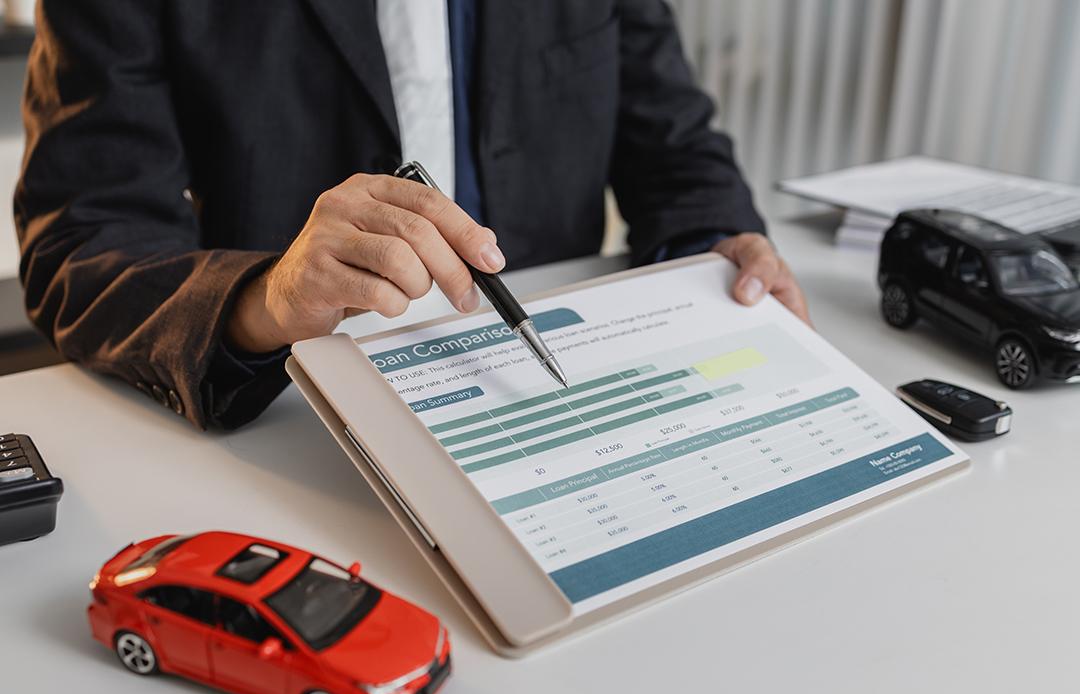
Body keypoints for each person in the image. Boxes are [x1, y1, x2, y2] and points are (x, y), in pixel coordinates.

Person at [15, 0, 809, 430]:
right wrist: (263, 299)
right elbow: (82, 243)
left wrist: (718, 248)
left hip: (549, 386)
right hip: (288, 414)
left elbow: (671, 140)